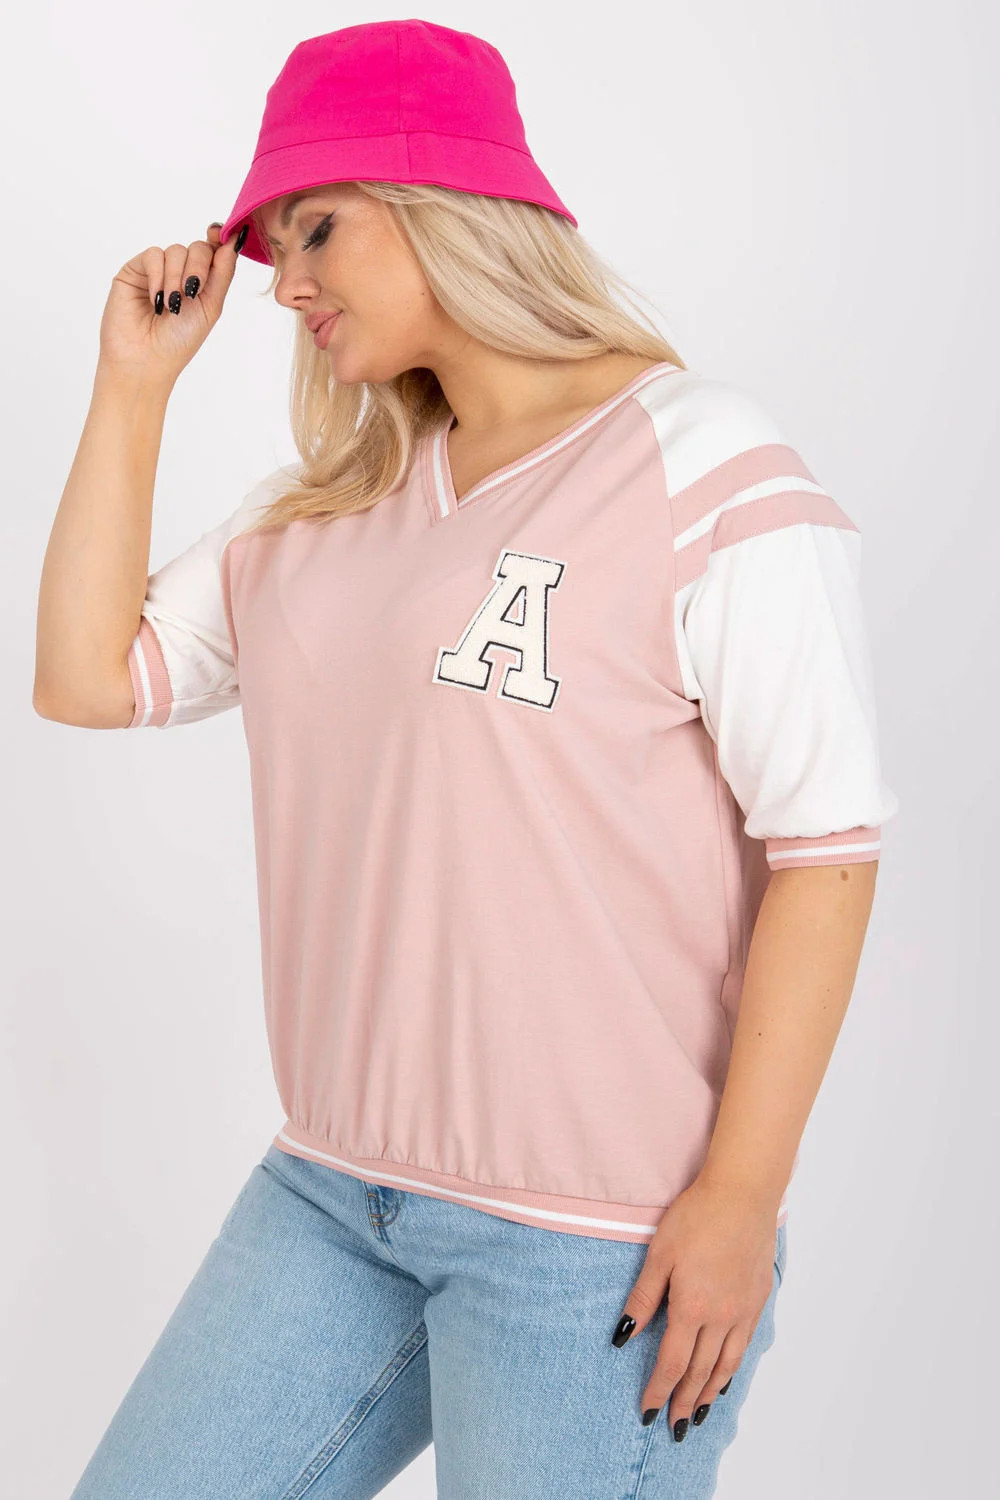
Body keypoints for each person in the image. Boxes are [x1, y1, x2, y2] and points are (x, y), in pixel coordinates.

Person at [36, 19, 899, 1500]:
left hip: (598, 1242)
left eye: (319, 226)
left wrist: (741, 1196)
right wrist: (134, 385)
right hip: (329, 1198)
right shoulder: (324, 511)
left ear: (447, 202)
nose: (284, 281)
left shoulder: (701, 462)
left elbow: (824, 852)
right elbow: (84, 681)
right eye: (271, 247)